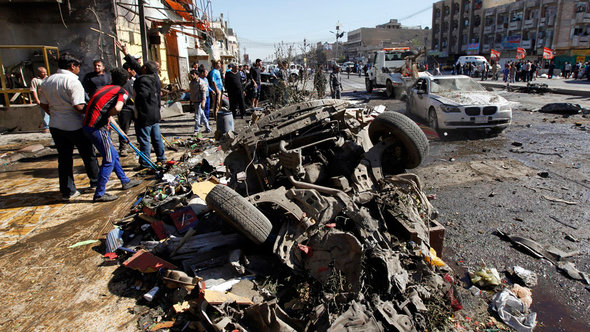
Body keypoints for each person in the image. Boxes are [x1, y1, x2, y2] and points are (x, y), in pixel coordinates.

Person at [38, 53, 99, 200]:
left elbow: (44, 104)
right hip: (75, 125)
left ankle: (68, 190)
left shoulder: (47, 81)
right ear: (72, 66)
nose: (79, 70)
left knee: (64, 158)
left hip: (56, 126)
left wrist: (55, 114)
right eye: (78, 67)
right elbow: (78, 106)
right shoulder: (72, 81)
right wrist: (93, 112)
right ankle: (96, 182)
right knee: (88, 154)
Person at [82, 68, 141, 202]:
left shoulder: (102, 89)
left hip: (88, 126)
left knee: (113, 155)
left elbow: (106, 113)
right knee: (108, 159)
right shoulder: (122, 92)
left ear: (111, 78)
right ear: (126, 80)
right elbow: (116, 109)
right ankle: (99, 193)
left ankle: (125, 181)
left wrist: (122, 133)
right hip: (98, 128)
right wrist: (111, 114)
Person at [133, 60, 166, 170]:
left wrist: (137, 110)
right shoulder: (155, 78)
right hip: (155, 113)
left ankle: (145, 163)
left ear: (145, 69)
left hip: (144, 115)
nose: (140, 68)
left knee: (144, 140)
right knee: (157, 138)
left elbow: (141, 96)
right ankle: (161, 158)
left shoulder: (141, 80)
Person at [118, 63, 136, 156]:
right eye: (134, 70)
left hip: (136, 107)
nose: (135, 72)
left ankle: (145, 145)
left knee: (140, 128)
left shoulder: (135, 80)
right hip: (125, 109)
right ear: (129, 70)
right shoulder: (121, 83)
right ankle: (123, 147)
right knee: (124, 128)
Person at [190, 68, 211, 137]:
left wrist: (203, 101)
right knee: (202, 115)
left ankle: (196, 130)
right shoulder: (192, 82)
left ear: (196, 75)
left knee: (197, 116)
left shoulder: (201, 82)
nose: (192, 75)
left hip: (199, 101)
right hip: (195, 100)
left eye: (193, 74)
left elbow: (204, 92)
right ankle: (208, 128)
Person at [30, 66, 49, 133]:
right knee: (45, 113)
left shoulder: (48, 79)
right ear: (39, 73)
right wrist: (37, 100)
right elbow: (33, 90)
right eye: (43, 72)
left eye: (45, 72)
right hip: (42, 99)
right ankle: (46, 127)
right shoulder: (35, 80)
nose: (45, 74)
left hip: (50, 99)